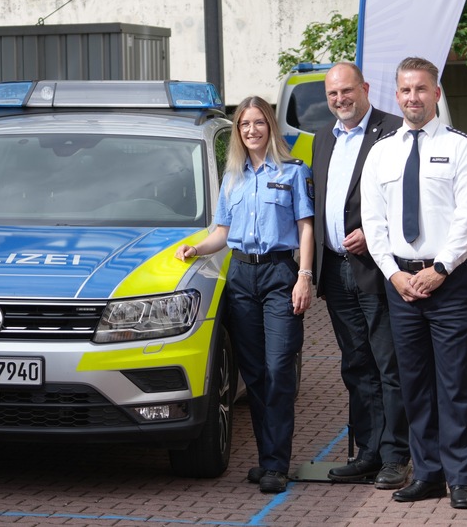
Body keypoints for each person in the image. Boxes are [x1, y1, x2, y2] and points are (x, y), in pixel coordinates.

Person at [359, 57, 467, 510]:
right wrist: (394, 273)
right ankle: (428, 473)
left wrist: (442, 269)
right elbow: (373, 223)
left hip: (446, 281)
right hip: (402, 284)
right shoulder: (382, 152)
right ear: (396, 95)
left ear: (436, 93)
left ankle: (461, 477)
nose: (413, 97)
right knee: (413, 382)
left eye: (421, 89)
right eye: (405, 90)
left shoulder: (459, 147)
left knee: (455, 383)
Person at [175, 96, 314, 494]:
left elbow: (305, 228)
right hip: (240, 276)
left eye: (258, 122)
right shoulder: (232, 176)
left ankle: (275, 463)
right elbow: (221, 232)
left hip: (278, 274)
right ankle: (269, 460)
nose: (251, 130)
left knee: (278, 370)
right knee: (253, 375)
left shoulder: (291, 172)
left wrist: (304, 277)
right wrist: (196, 248)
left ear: (270, 126)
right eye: (244, 124)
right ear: (238, 132)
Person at [311, 62, 410, 489]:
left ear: (365, 88)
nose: (339, 100)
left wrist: (375, 232)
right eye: (332, 94)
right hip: (334, 270)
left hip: (377, 268)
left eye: (346, 91)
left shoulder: (393, 130)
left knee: (389, 364)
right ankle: (367, 452)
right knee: (355, 365)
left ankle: (396, 455)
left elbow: (408, 192)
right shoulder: (321, 138)